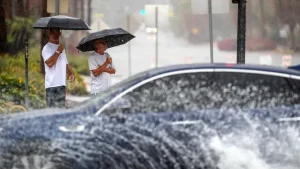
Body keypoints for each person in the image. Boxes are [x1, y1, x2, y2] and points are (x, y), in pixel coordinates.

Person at [42, 28, 75, 107]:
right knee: (51, 111)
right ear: (49, 33)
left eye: (57, 32)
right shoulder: (47, 48)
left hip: (61, 85)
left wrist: (71, 73)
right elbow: (50, 64)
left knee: (60, 111)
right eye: (53, 32)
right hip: (51, 85)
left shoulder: (61, 49)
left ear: (60, 33)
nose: (55, 34)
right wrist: (57, 52)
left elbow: (66, 63)